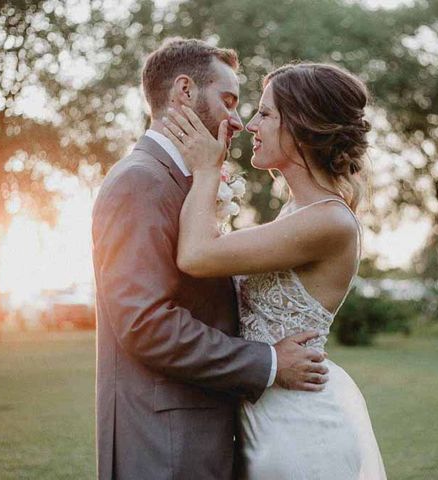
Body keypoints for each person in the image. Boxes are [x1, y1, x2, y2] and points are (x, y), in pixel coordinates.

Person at [91, 39, 329, 480]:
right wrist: (268, 362)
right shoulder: (140, 182)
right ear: (184, 91)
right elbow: (145, 323)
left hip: (200, 434)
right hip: (166, 444)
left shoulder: (180, 182)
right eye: (229, 100)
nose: (238, 120)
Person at [162, 62, 388, 479]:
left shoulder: (329, 222)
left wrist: (208, 170)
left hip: (300, 427)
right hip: (265, 419)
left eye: (265, 114)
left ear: (303, 126)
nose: (250, 125)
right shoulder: (295, 212)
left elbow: (195, 256)